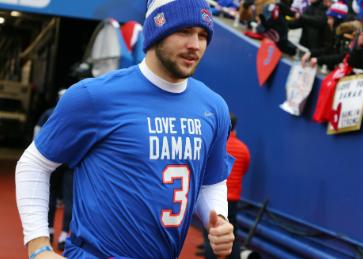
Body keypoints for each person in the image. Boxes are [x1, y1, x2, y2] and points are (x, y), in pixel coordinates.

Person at [16, 1, 235, 258]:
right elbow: (34, 163)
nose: (195, 45)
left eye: (202, 35)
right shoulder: (95, 96)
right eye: (184, 31)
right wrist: (38, 246)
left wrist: (217, 218)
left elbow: (211, 180)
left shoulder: (213, 106)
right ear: (158, 31)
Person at [203, 113, 251, 259]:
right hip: (233, 199)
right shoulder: (243, 149)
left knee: (211, 234)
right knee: (231, 235)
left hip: (213, 199)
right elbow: (244, 169)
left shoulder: (213, 146)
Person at [34, 89, 73, 252]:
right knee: (70, 199)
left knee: (50, 195)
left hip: (52, 160)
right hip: (70, 162)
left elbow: (37, 135)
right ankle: (64, 234)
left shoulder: (48, 113)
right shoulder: (78, 114)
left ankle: (49, 230)